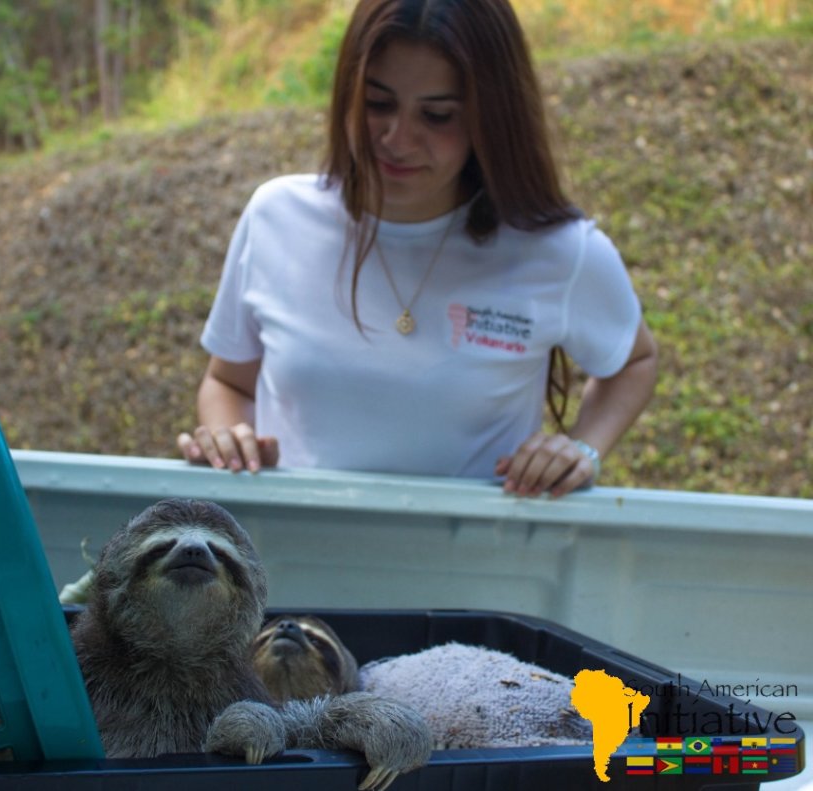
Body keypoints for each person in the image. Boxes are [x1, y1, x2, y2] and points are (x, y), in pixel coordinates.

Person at [176, 0, 658, 499]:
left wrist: (583, 450)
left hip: (481, 567)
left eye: (437, 115)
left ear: (491, 118)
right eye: (378, 104)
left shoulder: (557, 250)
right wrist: (230, 441)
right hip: (291, 562)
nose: (397, 138)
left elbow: (633, 362)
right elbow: (229, 383)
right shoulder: (276, 217)